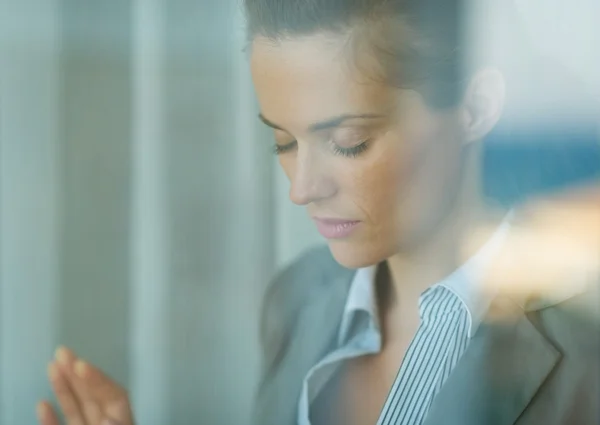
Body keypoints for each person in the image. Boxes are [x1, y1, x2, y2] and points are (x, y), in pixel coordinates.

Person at [36, 0, 600, 424]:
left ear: (476, 107)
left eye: (348, 141)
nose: (301, 189)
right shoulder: (297, 300)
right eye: (283, 142)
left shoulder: (584, 357)